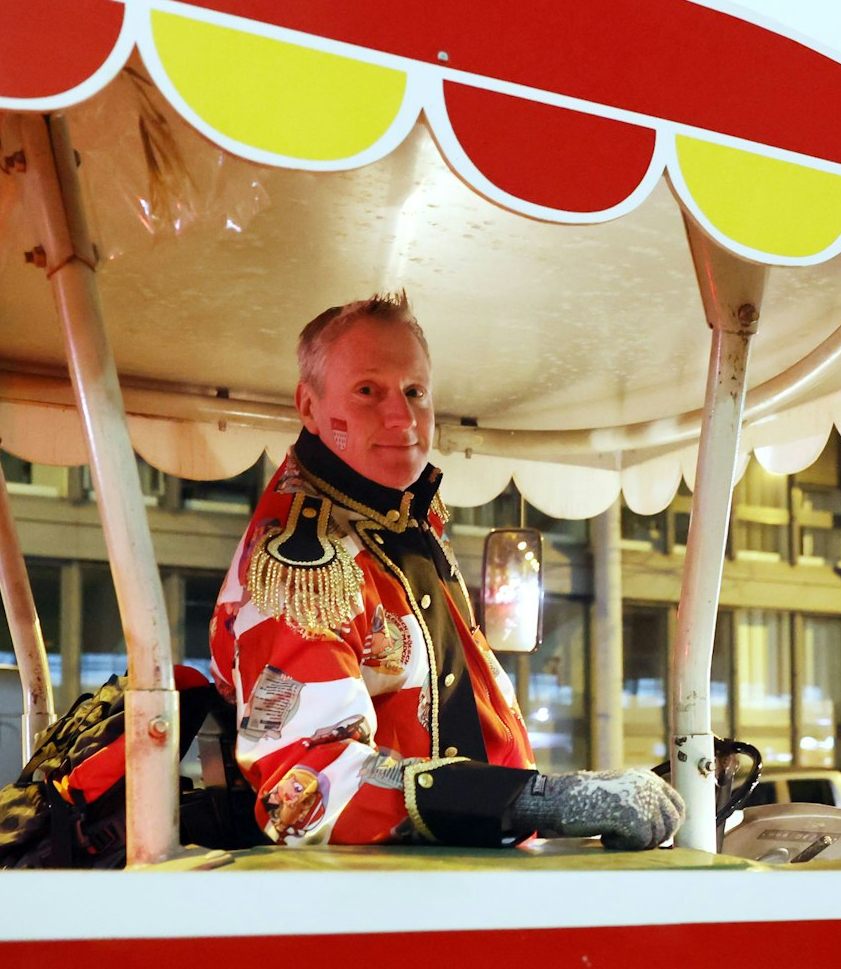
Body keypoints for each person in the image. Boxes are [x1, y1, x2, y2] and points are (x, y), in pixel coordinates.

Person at [209, 292, 683, 849]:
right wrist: (544, 801)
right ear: (309, 407)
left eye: (415, 392)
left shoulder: (403, 521)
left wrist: (557, 804)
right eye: (368, 391)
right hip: (391, 911)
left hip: (455, 886)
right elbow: (310, 786)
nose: (401, 417)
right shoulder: (302, 563)